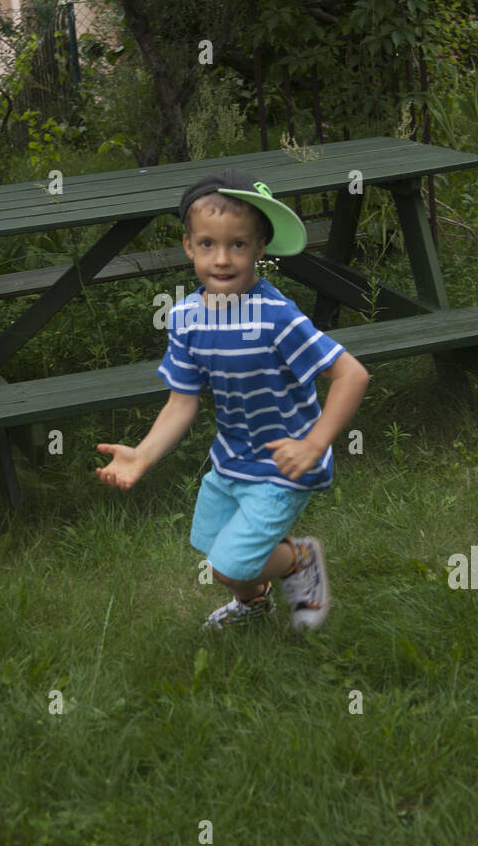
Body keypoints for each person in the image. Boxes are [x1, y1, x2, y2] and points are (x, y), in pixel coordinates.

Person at [95, 169, 370, 630]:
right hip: (230, 463)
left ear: (261, 248)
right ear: (188, 245)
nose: (221, 259)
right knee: (212, 543)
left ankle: (299, 559)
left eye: (238, 245)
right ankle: (253, 605)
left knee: (228, 565)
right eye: (207, 244)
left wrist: (315, 444)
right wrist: (142, 455)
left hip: (285, 466)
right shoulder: (184, 318)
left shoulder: (275, 316)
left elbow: (351, 373)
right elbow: (182, 402)